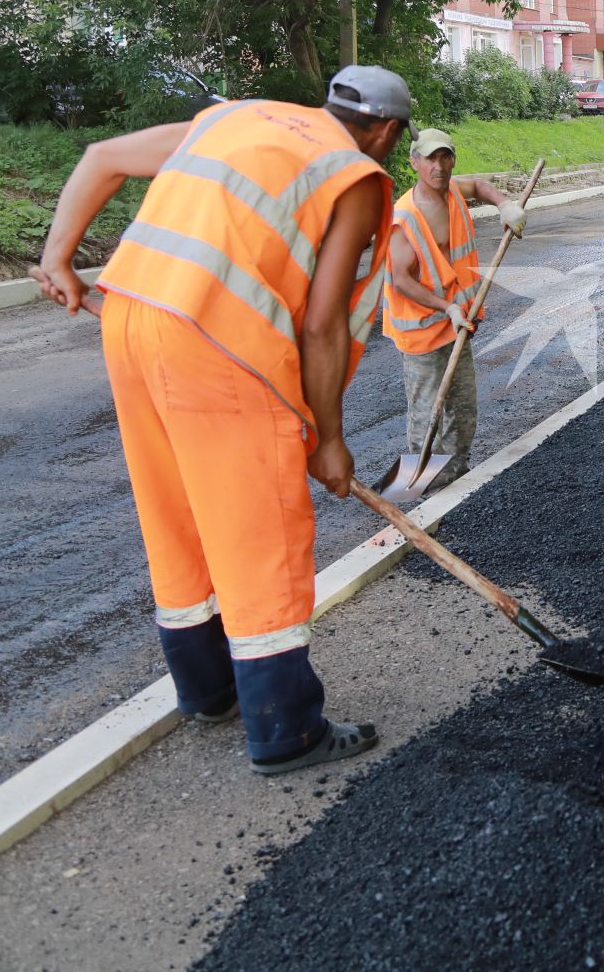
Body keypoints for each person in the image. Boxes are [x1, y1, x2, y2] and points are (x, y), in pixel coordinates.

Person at [28, 65, 413, 775]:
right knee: (257, 528)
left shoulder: (238, 118)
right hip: (219, 346)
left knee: (176, 514)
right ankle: (287, 728)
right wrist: (329, 439)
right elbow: (324, 326)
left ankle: (208, 692)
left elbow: (101, 158)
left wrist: (57, 259)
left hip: (132, 324)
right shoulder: (352, 174)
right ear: (386, 132)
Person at [383, 127, 526, 487]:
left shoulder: (452, 193)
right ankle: (416, 487)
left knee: (461, 409)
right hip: (421, 328)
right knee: (427, 412)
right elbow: (401, 280)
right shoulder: (405, 217)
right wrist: (446, 307)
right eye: (430, 158)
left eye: (445, 156)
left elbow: (479, 187)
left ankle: (455, 478)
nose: (439, 166)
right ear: (415, 162)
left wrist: (505, 205)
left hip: (457, 322)